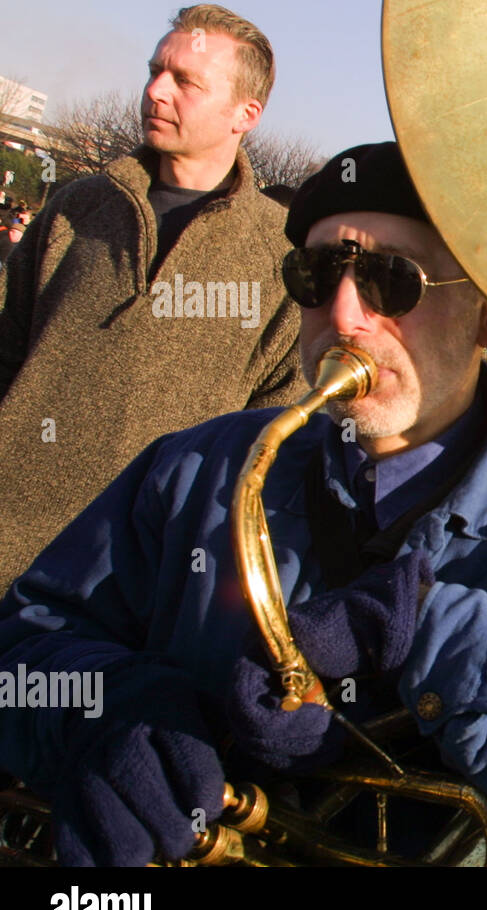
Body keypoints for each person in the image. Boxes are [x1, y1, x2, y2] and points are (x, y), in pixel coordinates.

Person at [0, 142, 487, 867]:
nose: (343, 315)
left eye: (392, 281)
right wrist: (106, 713)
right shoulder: (197, 468)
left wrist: (438, 631)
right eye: (314, 277)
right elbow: (25, 646)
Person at [0, 5, 302, 592]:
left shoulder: (283, 257)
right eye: (155, 71)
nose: (156, 91)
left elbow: (272, 446)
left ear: (248, 113)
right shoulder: (75, 208)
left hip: (138, 582)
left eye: (185, 81)